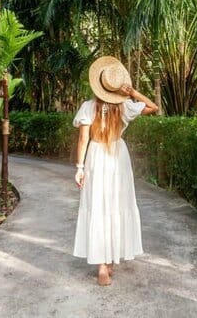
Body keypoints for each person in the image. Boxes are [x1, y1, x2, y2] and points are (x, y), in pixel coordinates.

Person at [72, 56, 159, 286]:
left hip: (96, 156)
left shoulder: (87, 108)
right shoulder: (125, 107)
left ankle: (102, 266)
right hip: (118, 158)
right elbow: (154, 107)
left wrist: (80, 168)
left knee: (98, 206)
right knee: (116, 206)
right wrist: (132, 92)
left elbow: (82, 140)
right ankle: (109, 262)